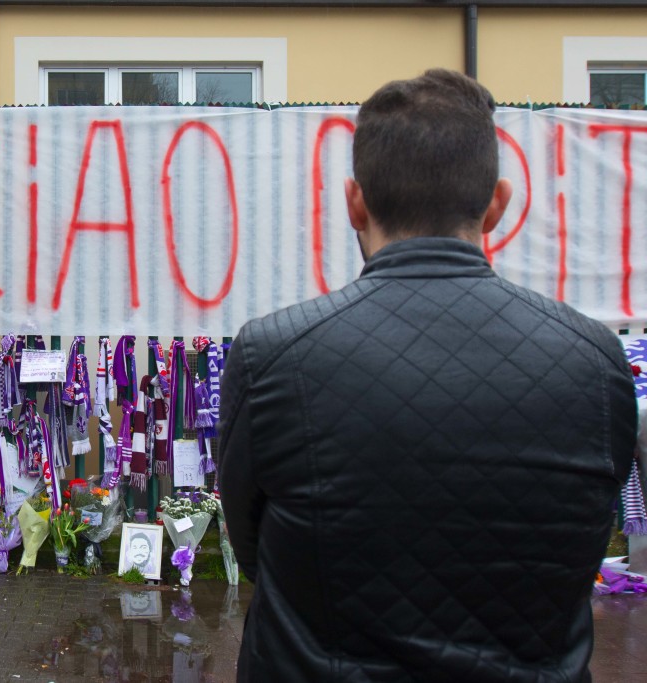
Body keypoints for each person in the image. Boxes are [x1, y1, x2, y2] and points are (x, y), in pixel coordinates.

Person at [218, 68, 637, 682]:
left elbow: (255, 550)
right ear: (497, 204)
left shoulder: (274, 356)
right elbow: (584, 538)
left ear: (354, 202)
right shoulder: (595, 360)